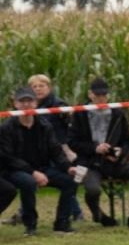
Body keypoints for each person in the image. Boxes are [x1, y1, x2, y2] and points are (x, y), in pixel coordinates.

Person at [69, 77, 129, 229]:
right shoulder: (80, 114)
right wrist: (95, 148)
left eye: (104, 95)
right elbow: (72, 142)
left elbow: (127, 141)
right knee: (93, 190)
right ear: (90, 94)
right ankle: (99, 215)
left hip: (113, 163)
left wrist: (120, 152)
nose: (101, 98)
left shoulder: (117, 113)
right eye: (98, 95)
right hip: (89, 164)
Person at [1, 85, 81, 235]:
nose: (26, 104)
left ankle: (62, 223)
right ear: (16, 104)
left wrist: (68, 167)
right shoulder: (6, 128)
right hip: (14, 170)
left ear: (36, 103)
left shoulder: (45, 125)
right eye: (22, 101)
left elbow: (55, 150)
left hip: (41, 168)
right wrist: (33, 173)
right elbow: (8, 158)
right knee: (28, 182)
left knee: (71, 181)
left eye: (30, 101)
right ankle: (30, 225)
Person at [29, 73, 84, 222]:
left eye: (41, 86)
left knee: (66, 181)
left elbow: (69, 120)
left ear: (49, 87)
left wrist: (67, 114)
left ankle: (76, 212)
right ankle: (24, 213)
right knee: (29, 180)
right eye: (34, 86)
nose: (38, 89)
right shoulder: (31, 106)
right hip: (39, 151)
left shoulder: (58, 104)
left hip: (58, 150)